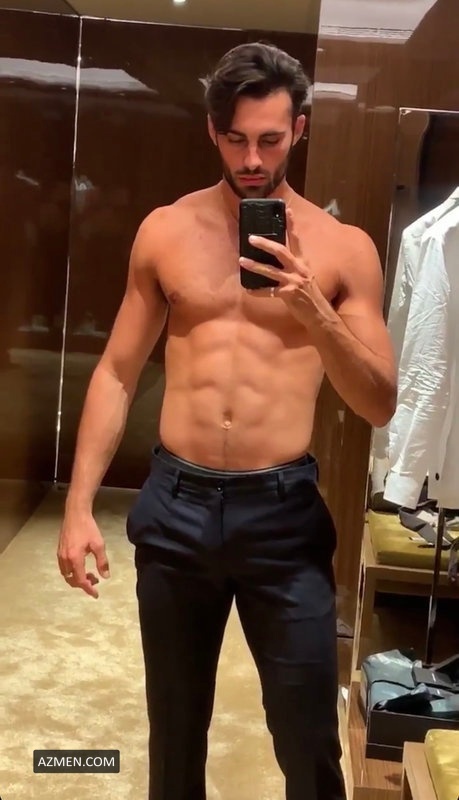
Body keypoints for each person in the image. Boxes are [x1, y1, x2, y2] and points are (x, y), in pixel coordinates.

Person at [57, 42, 397, 800]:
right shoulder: (166, 231)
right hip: (176, 507)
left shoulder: (344, 251)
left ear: (299, 129)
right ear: (213, 131)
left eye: (270, 140)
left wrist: (313, 310)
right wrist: (78, 507)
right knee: (175, 733)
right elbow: (116, 372)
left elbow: (378, 402)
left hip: (282, 515)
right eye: (236, 139)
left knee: (307, 737)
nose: (251, 159)